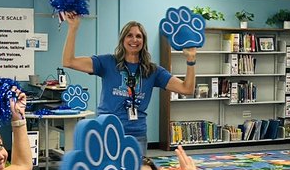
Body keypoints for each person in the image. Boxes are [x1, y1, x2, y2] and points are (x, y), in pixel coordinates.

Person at [62, 14, 197, 152]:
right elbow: (69, 61)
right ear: (122, 40)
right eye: (129, 35)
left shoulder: (152, 70)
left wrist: (191, 60)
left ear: (144, 41)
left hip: (136, 135)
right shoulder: (107, 63)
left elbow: (187, 89)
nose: (134, 40)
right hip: (107, 131)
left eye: (139, 36)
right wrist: (73, 27)